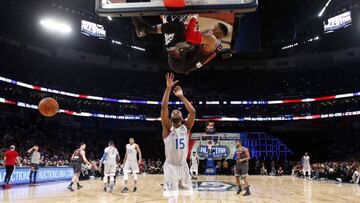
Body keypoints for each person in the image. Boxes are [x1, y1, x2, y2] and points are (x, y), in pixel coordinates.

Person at [132, 15, 228, 75]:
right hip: (184, 58)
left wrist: (194, 18)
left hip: (179, 63)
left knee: (180, 27)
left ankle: (144, 30)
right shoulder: (216, 43)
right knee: (181, 28)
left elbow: (190, 36)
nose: (211, 29)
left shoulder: (212, 39)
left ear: (218, 31)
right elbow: (193, 41)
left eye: (214, 28)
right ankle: (144, 29)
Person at [161, 73, 196, 202]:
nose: (175, 111)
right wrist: (168, 88)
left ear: (182, 118)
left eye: (178, 111)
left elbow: (192, 112)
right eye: (174, 111)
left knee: (189, 197)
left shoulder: (185, 128)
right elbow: (164, 107)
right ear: (171, 118)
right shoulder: (167, 128)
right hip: (170, 168)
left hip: (184, 167)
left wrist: (181, 96)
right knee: (173, 198)